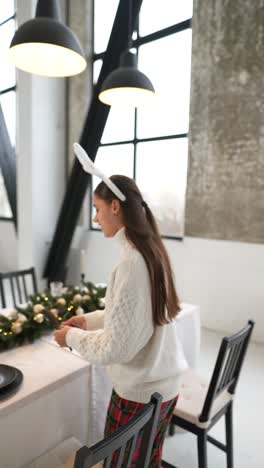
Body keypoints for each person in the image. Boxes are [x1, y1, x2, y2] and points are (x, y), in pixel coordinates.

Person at [54, 145, 188, 467]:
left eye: (98, 209)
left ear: (115, 207)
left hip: (138, 395)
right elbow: (133, 315)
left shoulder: (131, 262)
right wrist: (87, 321)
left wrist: (69, 339)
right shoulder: (150, 250)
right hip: (164, 389)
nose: (95, 217)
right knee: (146, 462)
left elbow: (115, 348)